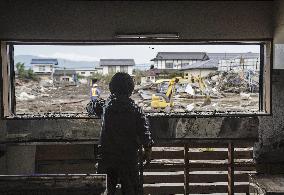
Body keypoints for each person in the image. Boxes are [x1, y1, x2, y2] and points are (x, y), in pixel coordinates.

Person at [94, 72, 154, 195]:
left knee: (104, 190)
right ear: (131, 90)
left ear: (111, 88)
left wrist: (94, 103)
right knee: (131, 190)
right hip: (128, 159)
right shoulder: (136, 109)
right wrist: (147, 151)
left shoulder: (106, 107)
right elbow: (144, 132)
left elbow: (92, 106)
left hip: (106, 158)